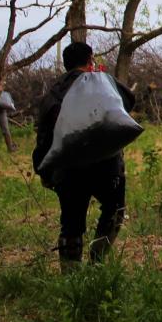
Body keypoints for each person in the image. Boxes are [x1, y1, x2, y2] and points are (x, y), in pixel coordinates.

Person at [32, 42, 136, 270]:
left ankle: (70, 275)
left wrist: (43, 170)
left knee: (71, 222)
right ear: (91, 59)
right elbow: (128, 102)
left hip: (67, 169)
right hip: (107, 166)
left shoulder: (55, 90)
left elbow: (44, 135)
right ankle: (97, 259)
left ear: (66, 64)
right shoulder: (104, 82)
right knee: (114, 209)